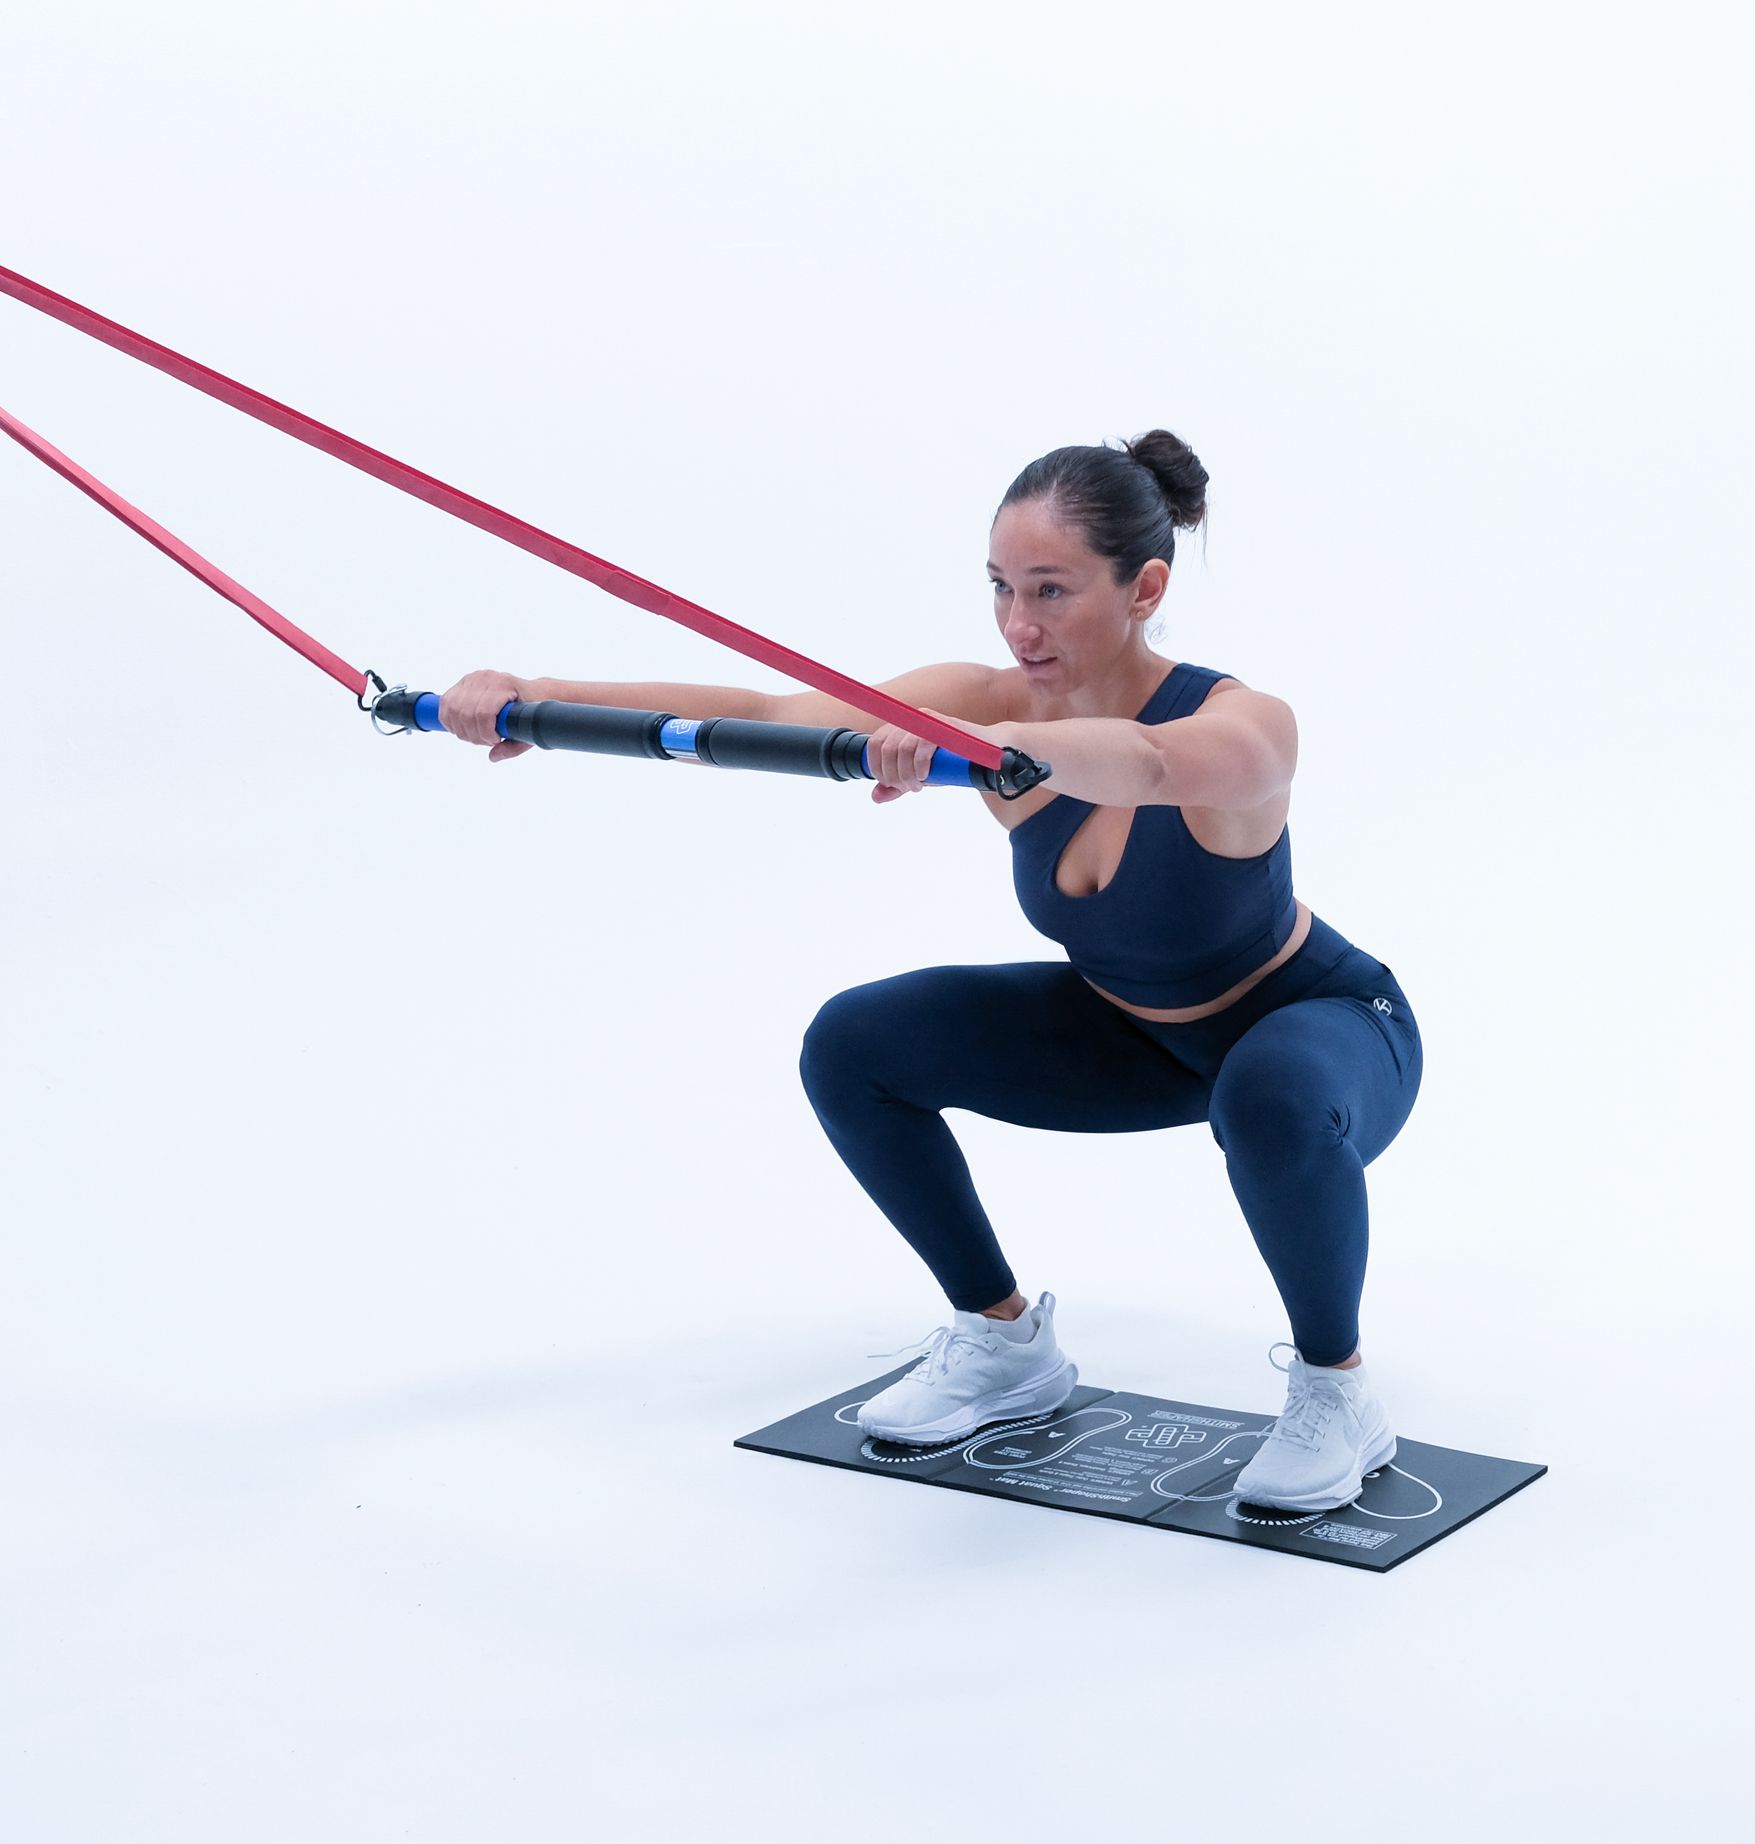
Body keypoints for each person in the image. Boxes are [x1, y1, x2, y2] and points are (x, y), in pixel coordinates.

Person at [438, 429, 1423, 1511]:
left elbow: (1140, 764)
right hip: (1134, 1034)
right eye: (1001, 588)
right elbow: (768, 715)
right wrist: (536, 696)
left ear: (1145, 587)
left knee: (1269, 1096)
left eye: (1051, 591)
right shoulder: (989, 701)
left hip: (1321, 1032)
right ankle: (1004, 1345)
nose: (1019, 625)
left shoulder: (1242, 726)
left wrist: (974, 742)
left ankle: (1337, 1394)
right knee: (858, 1043)